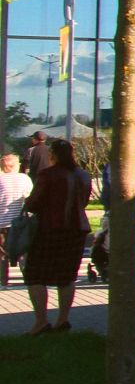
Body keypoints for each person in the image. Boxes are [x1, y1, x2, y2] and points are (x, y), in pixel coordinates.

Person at [20, 138, 91, 334]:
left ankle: (41, 321)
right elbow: (84, 201)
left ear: (53, 155)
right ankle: (63, 319)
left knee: (35, 275)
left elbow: (34, 203)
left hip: (49, 229)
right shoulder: (84, 175)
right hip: (77, 229)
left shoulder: (48, 174)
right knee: (67, 276)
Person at [0, 153, 31, 289]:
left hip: (1, 222)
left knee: (2, 253)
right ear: (14, 166)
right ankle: (28, 277)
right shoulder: (24, 179)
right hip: (20, 222)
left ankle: (3, 280)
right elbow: (29, 198)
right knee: (23, 249)